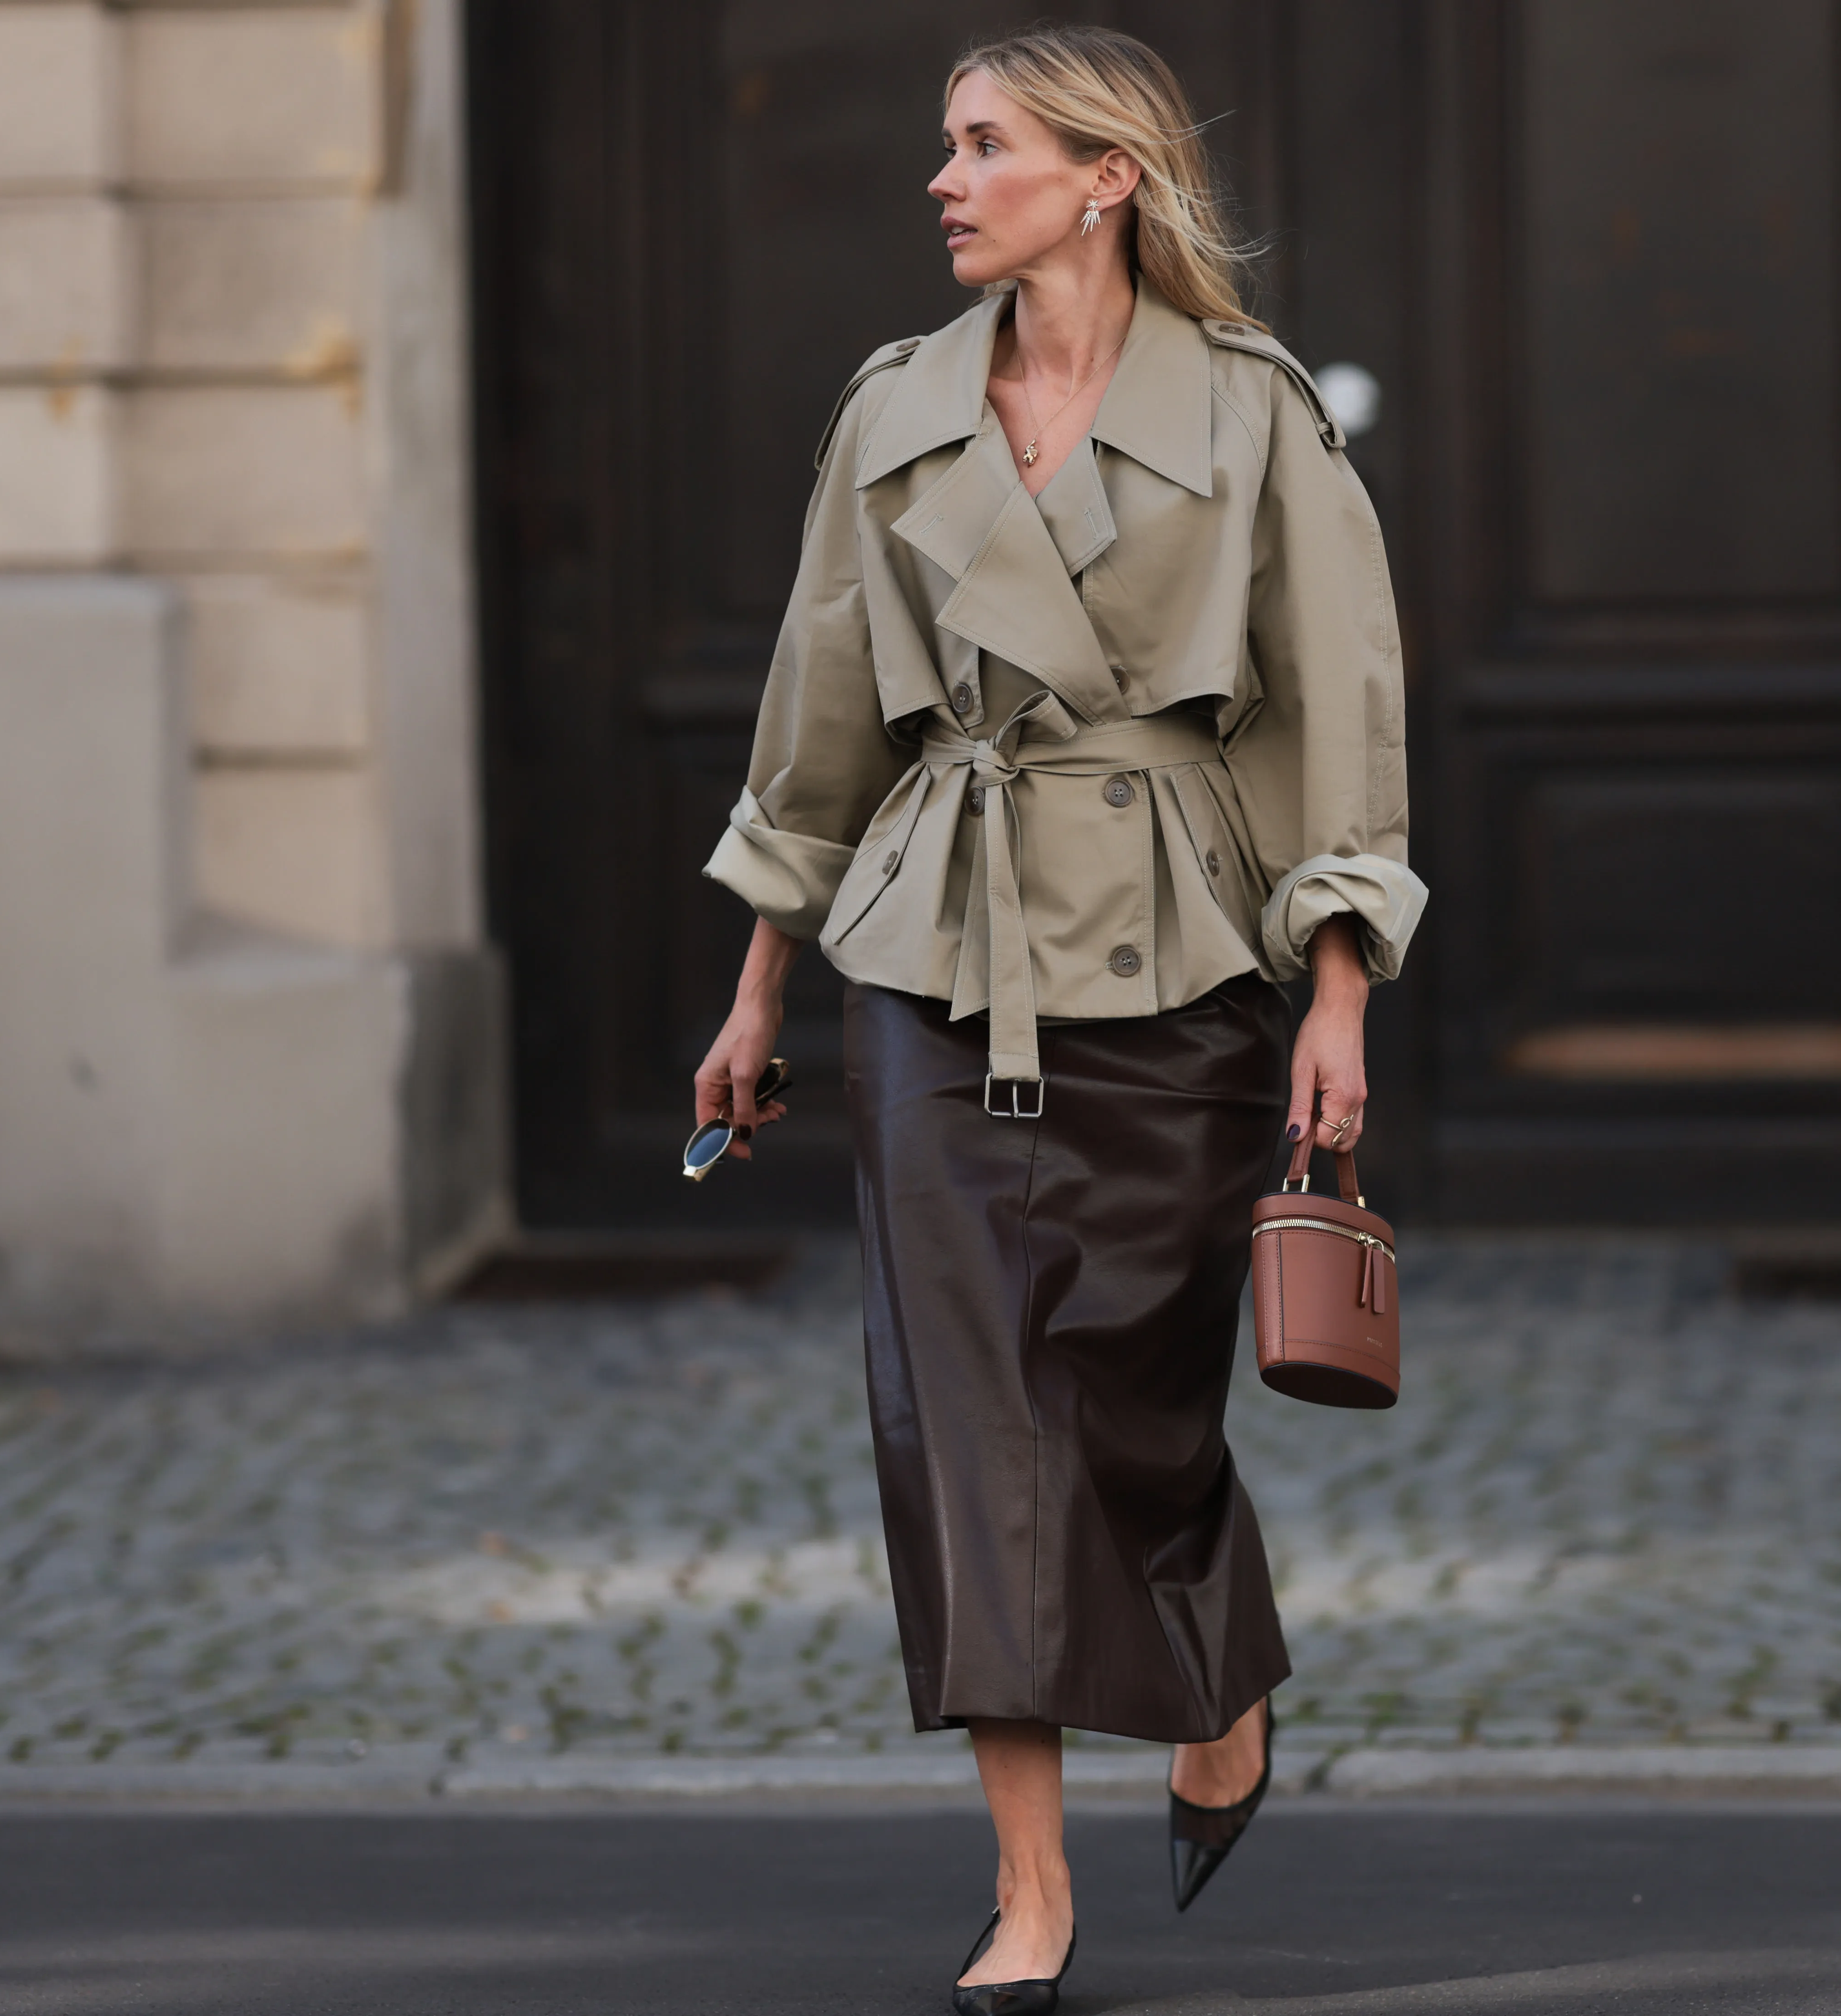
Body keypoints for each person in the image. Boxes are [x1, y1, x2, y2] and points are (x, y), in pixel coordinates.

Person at [689, 23, 1420, 2015]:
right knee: (961, 1421)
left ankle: (1218, 1667)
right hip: (934, 947)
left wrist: (1334, 983)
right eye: (945, 144)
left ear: (1104, 177)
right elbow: (816, 708)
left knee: (1136, 1392)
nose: (942, 176)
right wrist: (760, 976)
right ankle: (1030, 1890)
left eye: (984, 142)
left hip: (1177, 947)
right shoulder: (895, 411)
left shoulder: (1253, 412)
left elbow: (1336, 712)